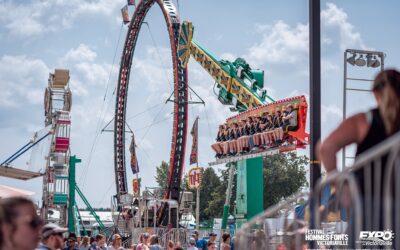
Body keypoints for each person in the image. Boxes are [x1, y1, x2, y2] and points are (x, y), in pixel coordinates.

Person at [318, 69, 400, 236]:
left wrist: (341, 187)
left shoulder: (364, 120)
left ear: (375, 93)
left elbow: (325, 148)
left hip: (368, 208)